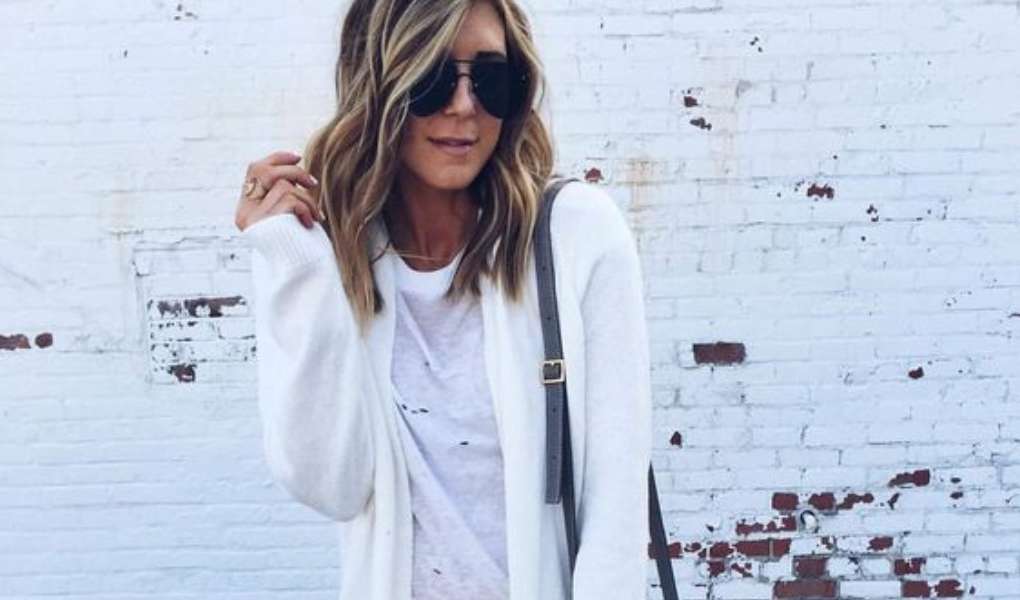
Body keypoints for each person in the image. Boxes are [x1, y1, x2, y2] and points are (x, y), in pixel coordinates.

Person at [232, 1, 652, 598]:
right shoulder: (337, 256)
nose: (463, 105)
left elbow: (616, 507)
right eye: (431, 77)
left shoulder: (577, 235)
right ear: (379, 84)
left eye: (491, 78)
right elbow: (331, 486)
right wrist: (292, 260)